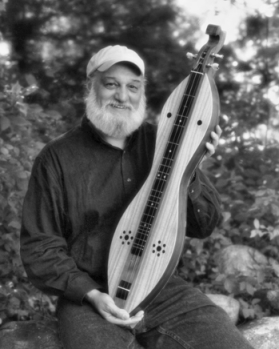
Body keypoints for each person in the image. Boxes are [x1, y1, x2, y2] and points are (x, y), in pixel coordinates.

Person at [20, 45, 253, 349]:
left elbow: (204, 225)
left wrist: (190, 166)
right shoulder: (57, 159)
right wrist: (89, 293)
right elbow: (40, 246)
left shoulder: (167, 141)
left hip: (160, 287)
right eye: (111, 84)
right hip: (90, 298)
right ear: (91, 87)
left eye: (133, 86)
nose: (122, 95)